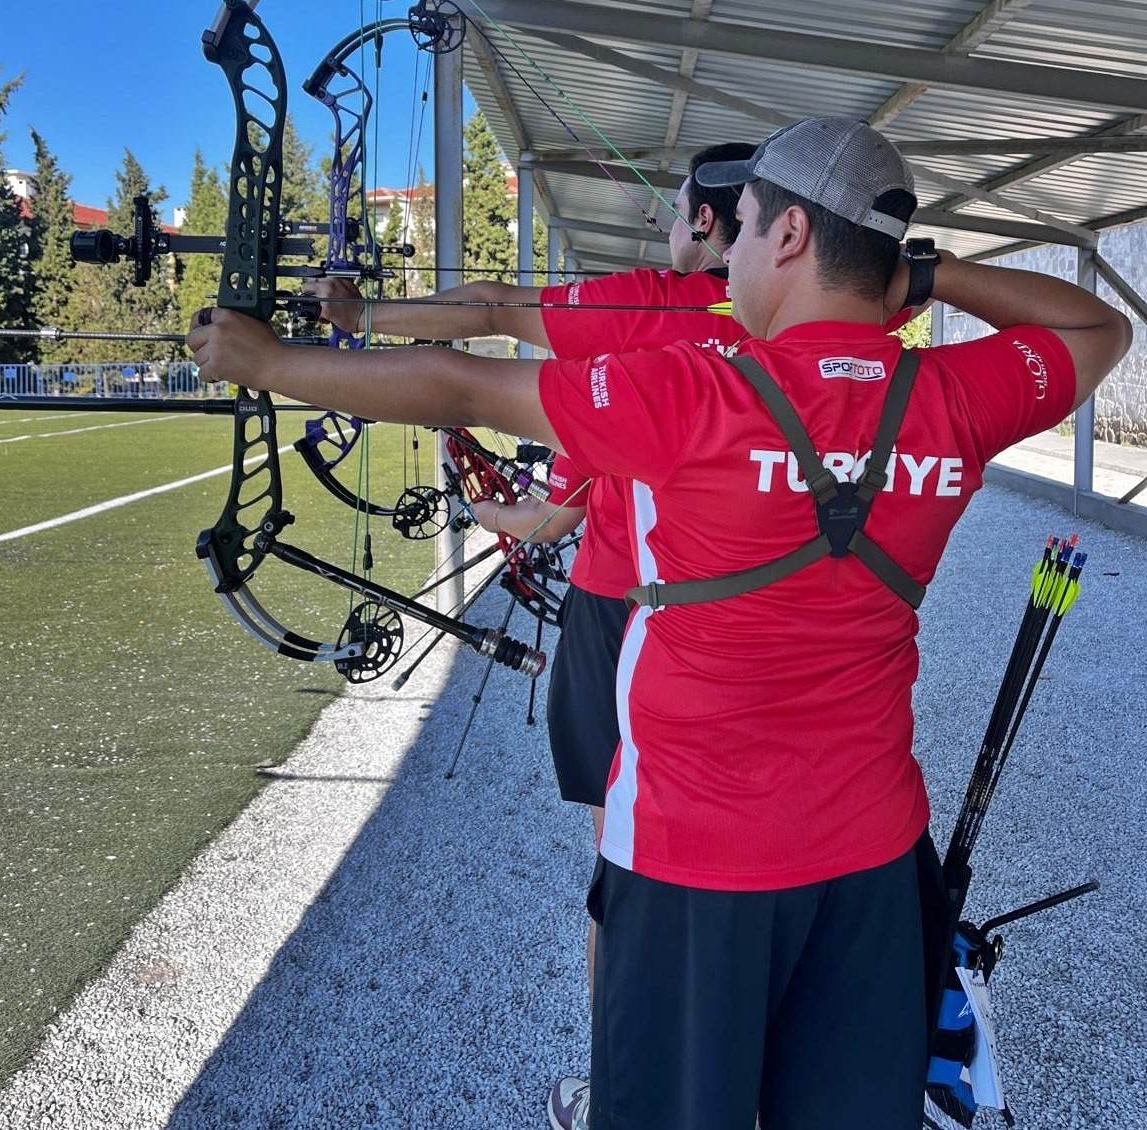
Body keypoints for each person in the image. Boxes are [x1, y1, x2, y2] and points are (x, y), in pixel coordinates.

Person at [189, 116, 1130, 1130]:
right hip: (870, 862)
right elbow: (1098, 332)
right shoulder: (951, 395)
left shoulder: (694, 391)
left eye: (749, 226)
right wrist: (928, 279)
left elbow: (459, 381)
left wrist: (268, 362)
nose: (726, 262)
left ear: (790, 238)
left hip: (693, 862)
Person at [310, 143, 757, 1128]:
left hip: (633, 611)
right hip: (749, 618)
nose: (662, 223)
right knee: (740, 846)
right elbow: (580, 492)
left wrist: (359, 321)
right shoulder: (810, 323)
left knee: (630, 860)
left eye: (678, 208)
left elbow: (491, 311)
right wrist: (521, 505)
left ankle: (624, 1085)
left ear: (715, 225)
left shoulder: (659, 304)